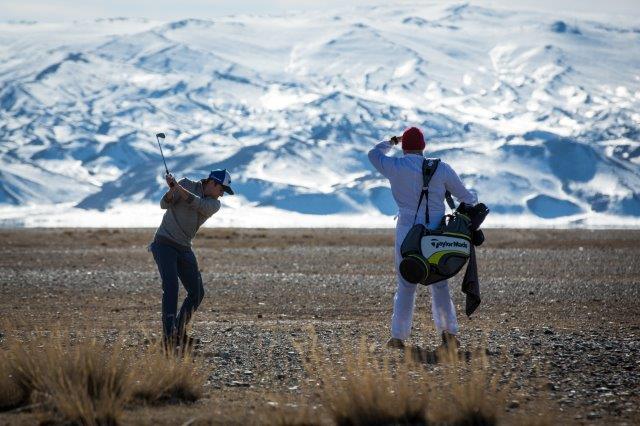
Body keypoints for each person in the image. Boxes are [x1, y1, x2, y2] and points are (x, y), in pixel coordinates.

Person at [368, 127, 477, 350]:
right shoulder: (441, 168)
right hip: (436, 234)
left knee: (406, 284)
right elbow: (467, 197)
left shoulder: (395, 167)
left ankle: (398, 338)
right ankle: (449, 335)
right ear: (424, 146)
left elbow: (373, 154)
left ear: (404, 147)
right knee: (438, 283)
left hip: (406, 232)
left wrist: (391, 141)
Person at [150, 169, 234, 347]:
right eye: (222, 190)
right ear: (212, 183)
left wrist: (177, 187)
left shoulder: (213, 204)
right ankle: (168, 338)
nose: (222, 194)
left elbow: (195, 203)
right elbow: (163, 205)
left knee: (197, 293)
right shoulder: (186, 184)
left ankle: (179, 333)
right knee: (171, 288)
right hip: (164, 243)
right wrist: (172, 190)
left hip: (184, 247)